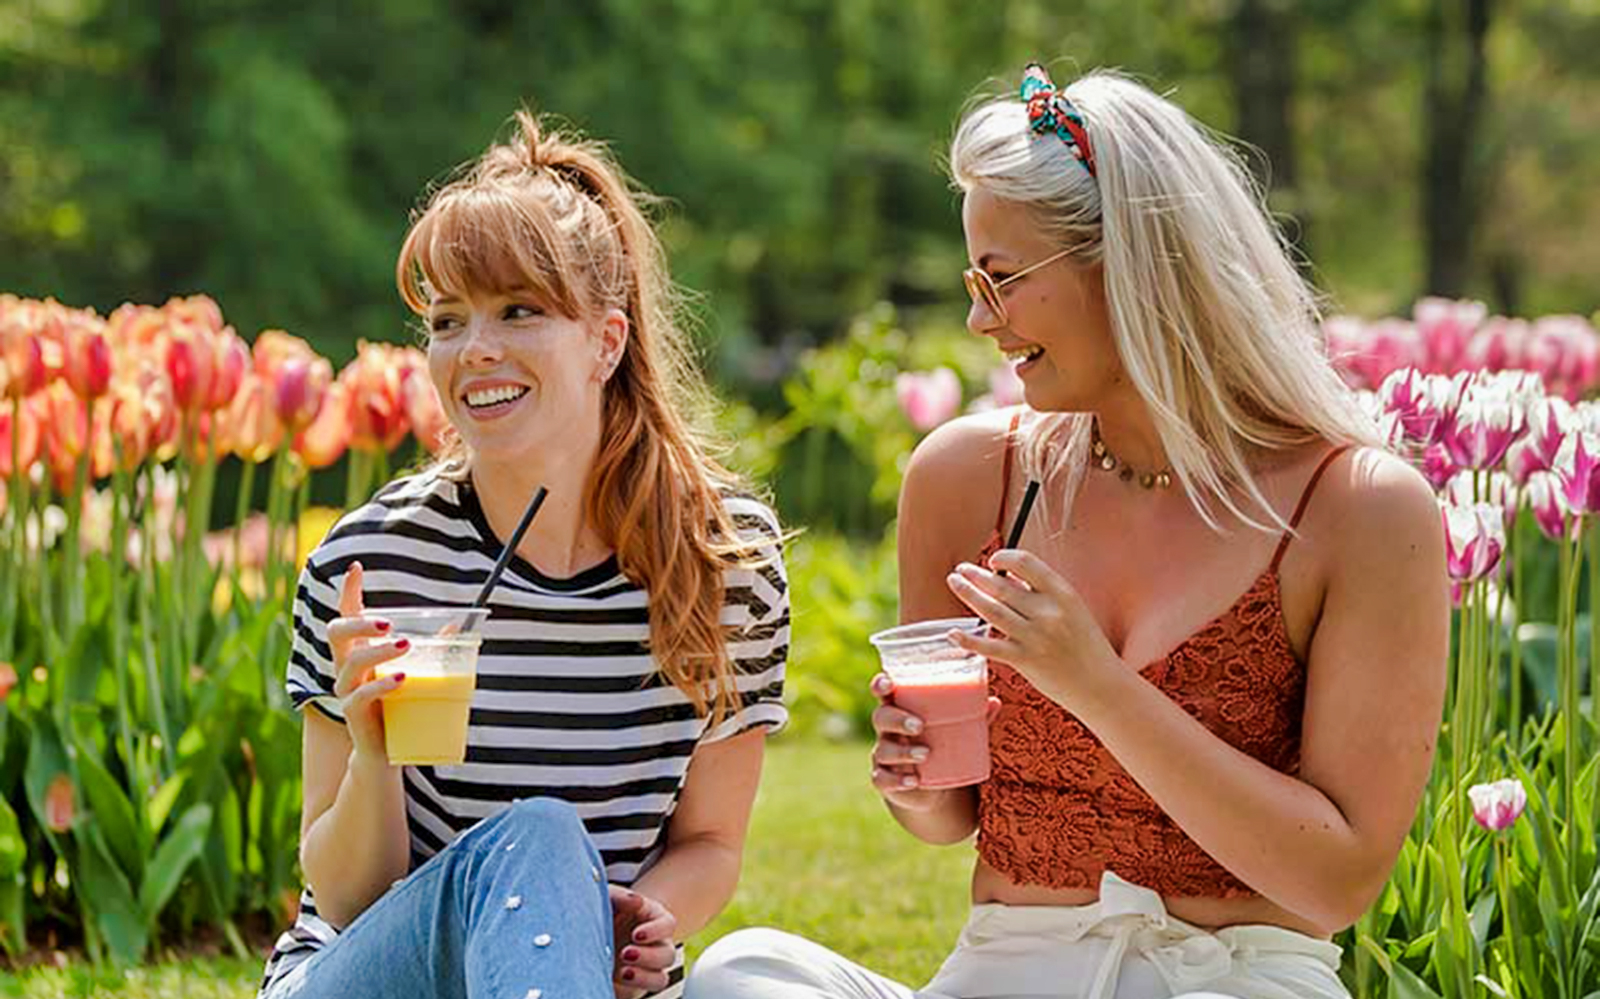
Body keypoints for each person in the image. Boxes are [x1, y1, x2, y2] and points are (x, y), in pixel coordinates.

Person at [687, 63, 1447, 999]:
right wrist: (918, 783)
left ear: (1129, 263)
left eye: (1002, 279)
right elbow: (950, 815)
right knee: (741, 972)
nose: (977, 319)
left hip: (1229, 980)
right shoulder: (969, 478)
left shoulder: (1360, 508)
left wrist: (1094, 683)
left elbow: (1338, 881)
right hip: (1007, 973)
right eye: (973, 280)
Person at [257, 110, 789, 999]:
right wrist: (372, 748)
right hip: (363, 978)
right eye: (448, 319)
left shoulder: (722, 564)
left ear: (607, 343)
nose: (476, 350)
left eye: (518, 311)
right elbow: (348, 900)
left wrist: (640, 917)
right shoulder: (373, 563)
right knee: (537, 833)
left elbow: (710, 844)